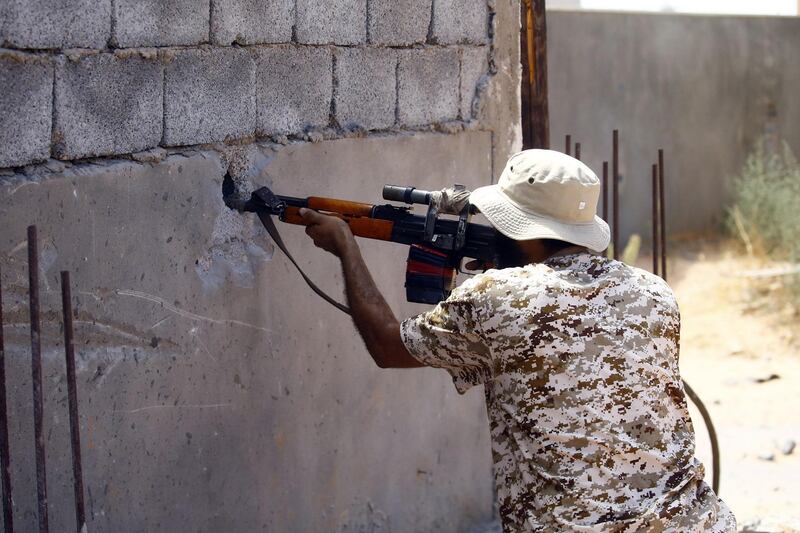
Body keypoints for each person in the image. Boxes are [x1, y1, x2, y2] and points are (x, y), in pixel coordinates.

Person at [297, 149, 736, 532]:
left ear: (519, 229)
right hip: (695, 522)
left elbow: (388, 347)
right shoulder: (655, 292)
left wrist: (346, 246)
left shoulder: (494, 298)